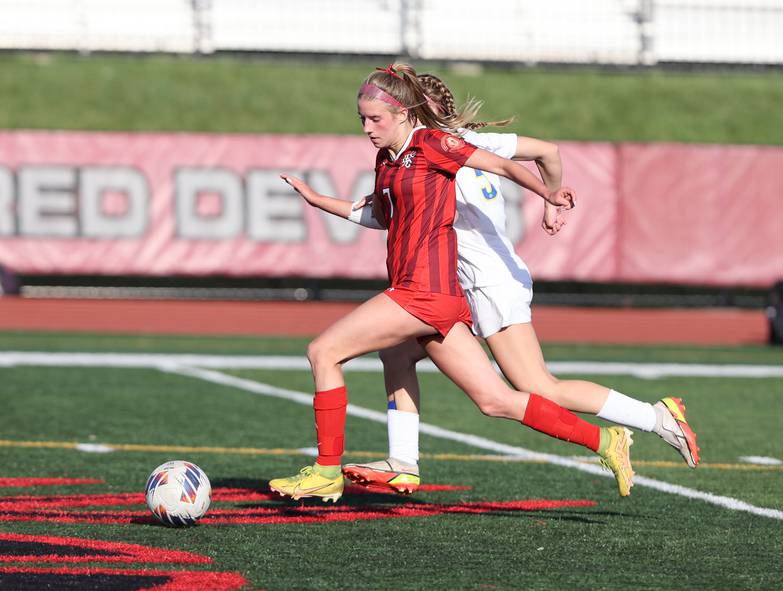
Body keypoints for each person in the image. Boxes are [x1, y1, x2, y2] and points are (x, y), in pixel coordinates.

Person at [268, 63, 634, 504]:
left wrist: (548, 194)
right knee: (493, 399)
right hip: (436, 297)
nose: (367, 128)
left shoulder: (432, 143)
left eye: (375, 119)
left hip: (422, 292)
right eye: (362, 119)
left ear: (404, 113)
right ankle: (606, 442)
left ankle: (326, 471)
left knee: (323, 351)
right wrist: (316, 199)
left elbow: (502, 165)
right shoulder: (387, 159)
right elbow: (381, 217)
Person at [334, 73, 700, 494]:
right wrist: (550, 199)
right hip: (456, 285)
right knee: (396, 355)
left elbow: (539, 156)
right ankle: (402, 462)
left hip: (489, 281)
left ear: (417, 110)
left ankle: (655, 418)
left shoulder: (438, 148)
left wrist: (549, 199)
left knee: (537, 387)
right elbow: (549, 151)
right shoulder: (447, 144)